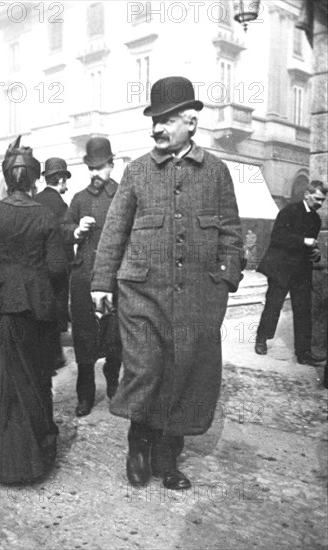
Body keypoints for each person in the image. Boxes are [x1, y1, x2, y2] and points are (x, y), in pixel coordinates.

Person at [91, 76, 244, 490]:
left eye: (167, 120)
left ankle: (167, 457)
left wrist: (225, 280)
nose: (157, 128)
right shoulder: (138, 171)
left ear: (191, 122)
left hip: (197, 297)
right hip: (141, 294)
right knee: (146, 370)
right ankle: (138, 447)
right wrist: (101, 283)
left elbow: (231, 230)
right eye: (154, 121)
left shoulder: (216, 172)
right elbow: (115, 231)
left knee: (184, 374)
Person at [0, 136, 68, 484]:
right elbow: (57, 267)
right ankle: (29, 462)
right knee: (32, 379)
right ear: (34, 179)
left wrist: (1, 274)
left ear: (7, 178)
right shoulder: (45, 216)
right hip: (32, 308)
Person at [63, 137, 122, 417]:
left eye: (100, 167)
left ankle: (114, 388)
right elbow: (62, 229)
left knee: (113, 339)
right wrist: (76, 229)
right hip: (85, 280)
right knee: (84, 340)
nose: (95, 174)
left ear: (112, 165)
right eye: (91, 168)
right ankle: (85, 395)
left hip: (112, 283)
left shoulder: (123, 197)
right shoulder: (79, 199)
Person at [255, 180, 327, 366]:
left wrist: (315, 254)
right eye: (317, 199)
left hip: (301, 271)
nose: (320, 203)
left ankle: (303, 353)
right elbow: (278, 237)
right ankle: (261, 339)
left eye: (323, 201)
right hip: (281, 269)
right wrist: (305, 241)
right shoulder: (289, 211)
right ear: (307, 195)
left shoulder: (316, 219)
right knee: (273, 306)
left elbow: (311, 247)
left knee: (303, 311)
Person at [35, 157, 74, 373]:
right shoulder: (60, 205)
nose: (66, 186)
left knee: (41, 310)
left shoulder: (35, 200)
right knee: (55, 311)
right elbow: (65, 239)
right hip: (57, 267)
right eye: (65, 180)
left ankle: (44, 355)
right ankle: (54, 356)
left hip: (36, 265)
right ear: (59, 180)